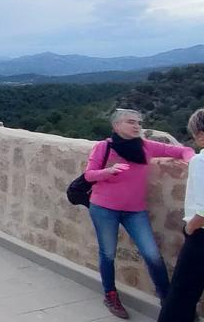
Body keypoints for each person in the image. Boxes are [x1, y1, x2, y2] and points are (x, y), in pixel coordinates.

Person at [85, 108, 194, 319]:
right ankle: (110, 295)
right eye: (130, 122)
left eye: (138, 122)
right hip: (104, 208)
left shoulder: (145, 146)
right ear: (116, 126)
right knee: (107, 254)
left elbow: (181, 151)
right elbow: (89, 175)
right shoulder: (103, 147)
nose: (136, 126)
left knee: (152, 255)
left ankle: (168, 300)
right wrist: (108, 172)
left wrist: (193, 160)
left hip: (135, 211)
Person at [158, 109, 204, 322]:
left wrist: (190, 228)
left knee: (181, 293)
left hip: (201, 236)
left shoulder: (200, 161)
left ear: (200, 135)